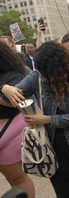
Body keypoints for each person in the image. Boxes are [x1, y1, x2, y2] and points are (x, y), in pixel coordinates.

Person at [1, 41, 69, 198]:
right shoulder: (37, 77)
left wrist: (45, 119)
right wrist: (4, 87)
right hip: (51, 147)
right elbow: (11, 97)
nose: (44, 76)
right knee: (63, 193)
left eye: (46, 71)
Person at [0, 41, 35, 198]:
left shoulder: (13, 75)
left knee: (16, 178)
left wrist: (4, 89)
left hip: (9, 130)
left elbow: (12, 100)